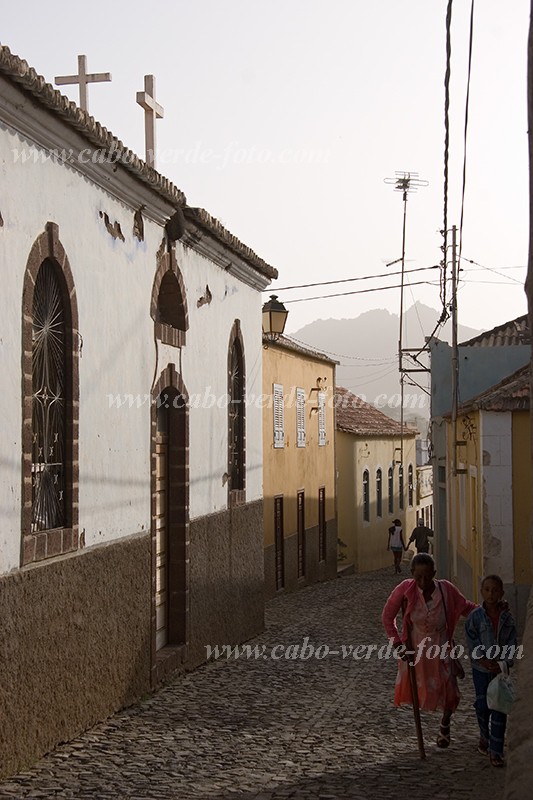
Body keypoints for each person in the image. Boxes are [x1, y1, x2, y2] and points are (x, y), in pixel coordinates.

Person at [382, 553, 478, 749]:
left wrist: (490, 610)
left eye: (427, 576)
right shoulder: (405, 589)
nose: (423, 581)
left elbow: (466, 607)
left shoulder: (446, 590)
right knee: (420, 690)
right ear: (412, 574)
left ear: (434, 573)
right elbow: (387, 617)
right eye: (418, 577)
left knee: (450, 689)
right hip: (415, 649)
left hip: (441, 645)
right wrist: (398, 644)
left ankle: (445, 723)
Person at [465, 574, 518, 768]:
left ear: (501, 593)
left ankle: (496, 750)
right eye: (487, 589)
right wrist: (482, 659)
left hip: (499, 670)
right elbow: (471, 639)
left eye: (495, 590)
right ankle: (484, 736)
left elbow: (512, 642)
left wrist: (504, 662)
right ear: (481, 591)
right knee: (482, 704)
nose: (491, 594)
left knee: (499, 707)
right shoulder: (475, 617)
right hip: (480, 669)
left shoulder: (507, 619)